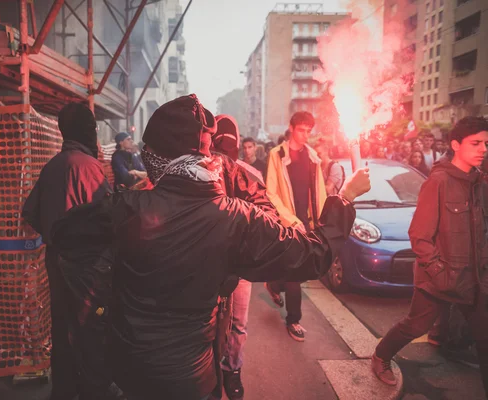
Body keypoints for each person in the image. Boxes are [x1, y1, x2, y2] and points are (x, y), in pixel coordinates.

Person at [58, 94, 370, 400]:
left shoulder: (125, 208)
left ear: (160, 159)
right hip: (193, 378)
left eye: (149, 152)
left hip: (130, 371)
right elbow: (314, 255)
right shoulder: (237, 218)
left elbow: (67, 239)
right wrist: (344, 199)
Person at [371, 116, 488, 397]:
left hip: (474, 279)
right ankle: (380, 356)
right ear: (456, 145)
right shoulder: (438, 182)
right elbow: (420, 236)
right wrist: (439, 272)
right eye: (476, 143)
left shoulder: (479, 182)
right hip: (440, 279)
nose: (483, 148)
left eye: (486, 143)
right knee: (415, 325)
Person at [21, 102, 113, 400]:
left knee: (61, 325)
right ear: (87, 130)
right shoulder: (86, 166)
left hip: (55, 259)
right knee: (90, 326)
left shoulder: (53, 165)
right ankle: (91, 391)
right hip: (86, 266)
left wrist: (54, 231)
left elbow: (30, 212)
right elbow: (109, 216)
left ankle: (63, 389)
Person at [211, 114, 274, 400]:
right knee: (208, 321)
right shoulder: (201, 171)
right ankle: (210, 370)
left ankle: (232, 368)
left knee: (238, 322)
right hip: (207, 262)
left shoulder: (250, 174)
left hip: (241, 266)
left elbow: (266, 218)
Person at [264, 111, 327, 342]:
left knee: (300, 271)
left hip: (306, 222)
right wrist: (290, 220)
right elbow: (271, 192)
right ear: (291, 128)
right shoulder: (276, 155)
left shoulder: (313, 157)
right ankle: (294, 320)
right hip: (286, 222)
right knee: (295, 272)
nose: (305, 135)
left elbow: (319, 191)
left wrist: (321, 220)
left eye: (309, 131)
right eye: (302, 130)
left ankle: (273, 283)